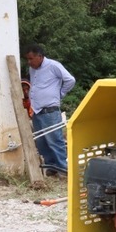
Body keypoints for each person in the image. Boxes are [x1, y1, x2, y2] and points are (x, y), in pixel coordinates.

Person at [24, 44, 76, 175]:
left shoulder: (53, 66)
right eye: (27, 59)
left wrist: (60, 94)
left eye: (31, 58)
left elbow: (70, 80)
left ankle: (64, 168)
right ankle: (51, 166)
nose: (29, 62)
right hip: (37, 110)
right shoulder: (33, 69)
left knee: (54, 140)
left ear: (40, 56)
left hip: (50, 110)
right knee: (42, 142)